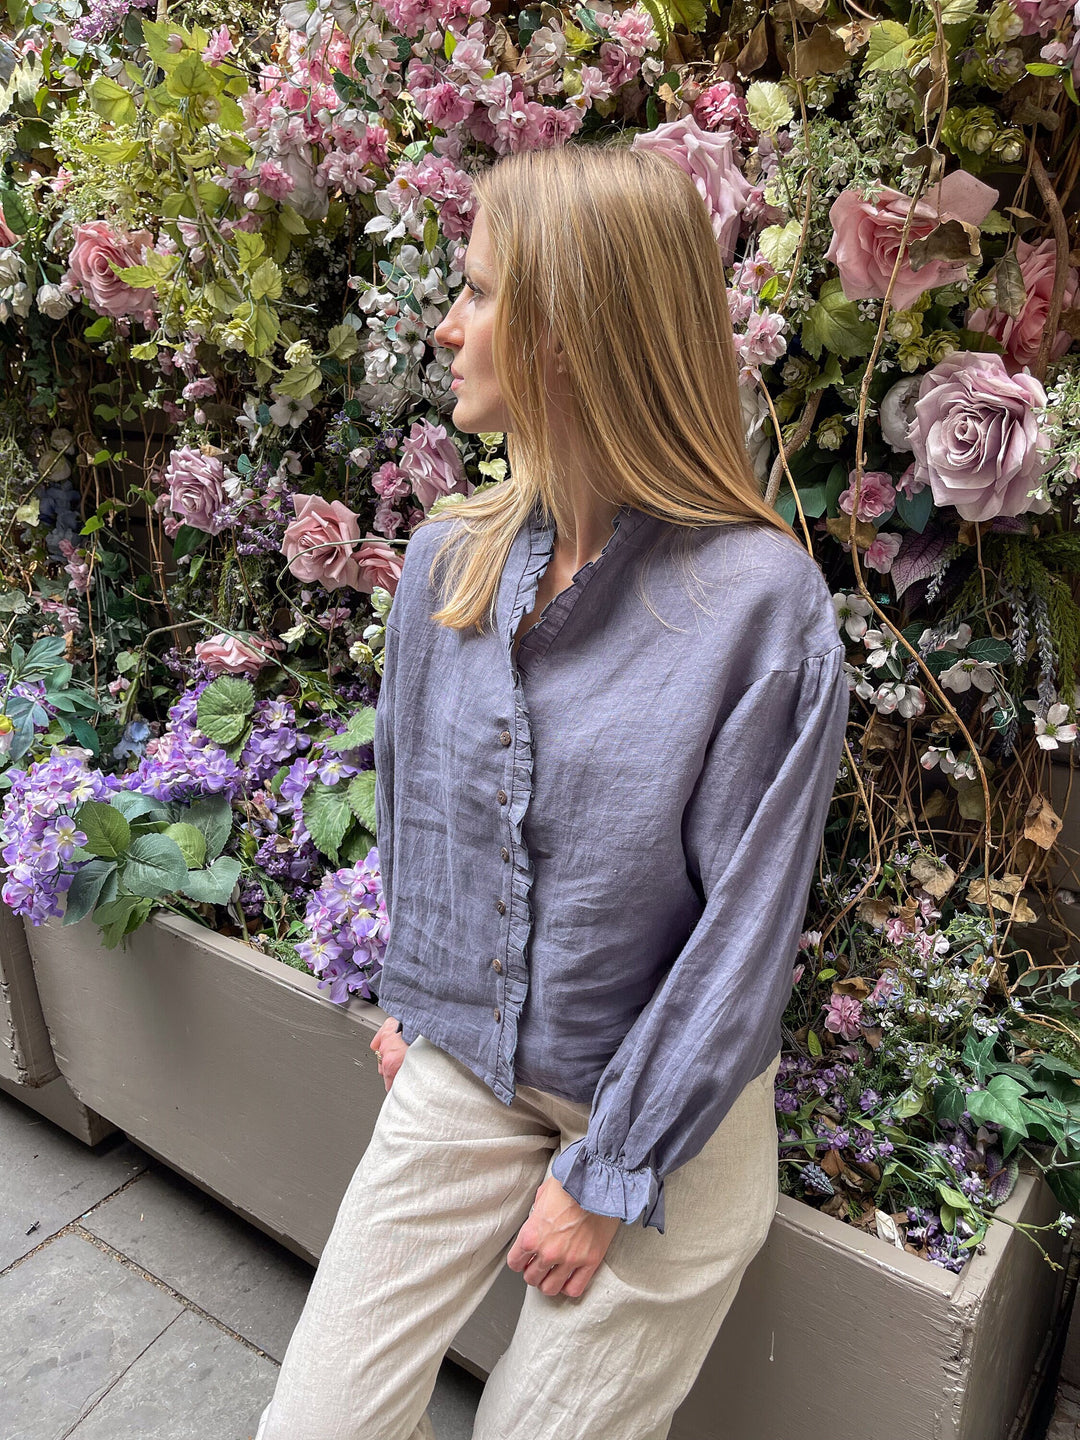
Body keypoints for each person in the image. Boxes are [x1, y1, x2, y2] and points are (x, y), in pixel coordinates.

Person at [256, 141, 850, 1440]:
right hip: (473, 1062)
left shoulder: (759, 611)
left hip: (663, 1123)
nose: (446, 322)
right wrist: (423, 996)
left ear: (572, 333)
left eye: (477, 291)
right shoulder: (444, 563)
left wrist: (608, 1174)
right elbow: (418, 803)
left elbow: (742, 940)